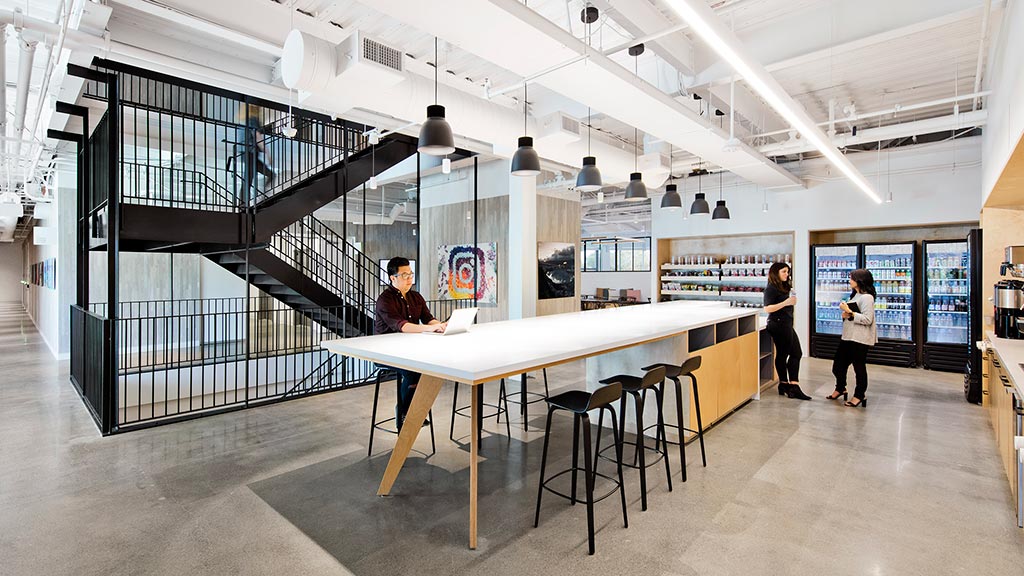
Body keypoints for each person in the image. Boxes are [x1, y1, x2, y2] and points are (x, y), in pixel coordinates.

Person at [374, 257, 447, 429]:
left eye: (411, 274)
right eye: (405, 275)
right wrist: (429, 329)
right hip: (386, 353)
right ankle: (404, 413)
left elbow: (428, 318)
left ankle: (415, 411)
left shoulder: (415, 297)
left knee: (433, 368)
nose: (409, 278)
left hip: (409, 350)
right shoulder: (385, 300)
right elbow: (402, 326)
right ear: (393, 278)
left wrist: (440, 325)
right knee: (414, 372)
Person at [827, 269, 877, 407]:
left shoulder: (867, 297)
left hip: (860, 338)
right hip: (848, 336)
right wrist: (846, 315)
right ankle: (840, 388)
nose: (849, 280)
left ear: (860, 280)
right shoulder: (855, 295)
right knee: (838, 365)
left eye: (852, 278)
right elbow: (853, 316)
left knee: (858, 367)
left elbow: (868, 319)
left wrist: (850, 312)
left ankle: (859, 395)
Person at [763, 262, 811, 400]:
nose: (787, 274)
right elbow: (767, 308)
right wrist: (786, 302)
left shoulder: (785, 286)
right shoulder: (771, 289)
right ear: (776, 273)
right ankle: (790, 386)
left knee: (792, 353)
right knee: (789, 353)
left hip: (786, 324)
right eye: (784, 271)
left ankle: (786, 385)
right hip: (778, 325)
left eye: (788, 272)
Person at [236, 103, 275, 195]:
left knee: (249, 178)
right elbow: (257, 137)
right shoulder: (253, 119)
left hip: (245, 152)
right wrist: (268, 153)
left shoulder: (243, 120)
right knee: (250, 178)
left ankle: (244, 202)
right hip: (251, 153)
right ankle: (260, 197)